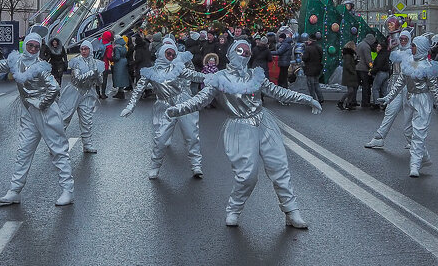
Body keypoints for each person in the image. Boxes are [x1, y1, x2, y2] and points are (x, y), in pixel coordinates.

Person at [166, 39, 321, 228]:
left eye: (247, 51)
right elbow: (200, 99)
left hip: (264, 123)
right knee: (247, 175)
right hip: (239, 128)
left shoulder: (255, 75)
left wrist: (307, 99)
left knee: (279, 166)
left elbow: (278, 92)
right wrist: (178, 109)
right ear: (231, 54)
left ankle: (291, 211)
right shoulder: (220, 78)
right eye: (240, 50)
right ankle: (234, 209)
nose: (245, 54)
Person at [0, 32, 75, 207]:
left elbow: (54, 87)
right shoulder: (15, 60)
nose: (33, 49)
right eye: (30, 45)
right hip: (28, 112)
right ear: (25, 45)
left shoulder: (40, 66)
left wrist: (42, 105)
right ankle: (14, 190)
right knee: (23, 151)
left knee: (58, 150)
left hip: (46, 112)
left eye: (36, 46)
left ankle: (67, 190)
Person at [121, 43, 205, 180]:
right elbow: (138, 90)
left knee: (191, 135)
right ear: (161, 54)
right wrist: (130, 106)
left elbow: (193, 75)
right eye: (168, 54)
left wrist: (212, 77)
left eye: (173, 55)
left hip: (182, 102)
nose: (171, 57)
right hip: (163, 106)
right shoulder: (150, 72)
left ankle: (196, 165)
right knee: (160, 138)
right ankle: (155, 165)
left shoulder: (177, 68)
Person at [377, 34, 438, 177]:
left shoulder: (429, 67)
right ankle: (425, 157)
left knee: (419, 134)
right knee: (408, 131)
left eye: (414, 46)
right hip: (410, 98)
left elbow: (435, 89)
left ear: (422, 48)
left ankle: (415, 166)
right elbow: (400, 82)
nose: (411, 48)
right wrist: (389, 97)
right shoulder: (409, 61)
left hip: (423, 101)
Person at [365, 31, 414, 149]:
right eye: (401, 39)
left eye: (405, 39)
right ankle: (379, 137)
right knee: (389, 111)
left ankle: (413, 141)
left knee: (408, 118)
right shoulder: (396, 52)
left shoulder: (412, 54)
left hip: (408, 88)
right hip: (397, 87)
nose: (402, 41)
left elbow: (415, 71)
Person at [61, 41, 103, 154]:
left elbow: (100, 82)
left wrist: (98, 75)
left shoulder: (96, 63)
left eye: (86, 49)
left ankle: (87, 145)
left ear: (90, 50)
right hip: (74, 92)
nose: (84, 51)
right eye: (82, 49)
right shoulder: (76, 62)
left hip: (88, 93)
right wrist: (91, 73)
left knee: (87, 120)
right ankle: (57, 145)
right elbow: (77, 78)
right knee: (65, 117)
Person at [301, 33, 325, 105]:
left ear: (310, 40)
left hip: (310, 69)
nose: (307, 41)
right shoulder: (319, 47)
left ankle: (313, 100)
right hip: (317, 69)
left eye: (308, 40)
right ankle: (321, 98)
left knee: (311, 86)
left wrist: (302, 55)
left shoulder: (308, 48)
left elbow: (305, 58)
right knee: (316, 84)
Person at [355, 33, 376, 109]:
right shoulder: (366, 47)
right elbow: (368, 60)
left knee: (356, 86)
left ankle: (353, 101)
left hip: (357, 67)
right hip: (363, 69)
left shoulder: (360, 44)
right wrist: (372, 66)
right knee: (365, 86)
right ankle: (365, 102)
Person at [338, 42, 359, 110]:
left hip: (349, 75)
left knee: (351, 90)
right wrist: (353, 71)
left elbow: (349, 64)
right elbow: (348, 65)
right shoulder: (348, 55)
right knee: (350, 90)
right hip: (349, 75)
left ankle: (348, 103)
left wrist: (355, 61)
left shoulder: (349, 55)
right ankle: (341, 101)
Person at [369, 41, 390, 108]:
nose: (377, 48)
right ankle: (385, 104)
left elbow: (378, 66)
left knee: (375, 88)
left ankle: (376, 103)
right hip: (386, 73)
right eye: (377, 46)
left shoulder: (381, 55)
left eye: (379, 46)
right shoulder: (386, 54)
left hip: (381, 73)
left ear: (382, 47)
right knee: (384, 89)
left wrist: (371, 72)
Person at [110, 32, 130, 100]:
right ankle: (120, 92)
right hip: (124, 62)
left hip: (119, 64)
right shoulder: (124, 46)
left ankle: (120, 92)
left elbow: (117, 57)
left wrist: (112, 58)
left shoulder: (116, 48)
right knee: (123, 77)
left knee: (119, 77)